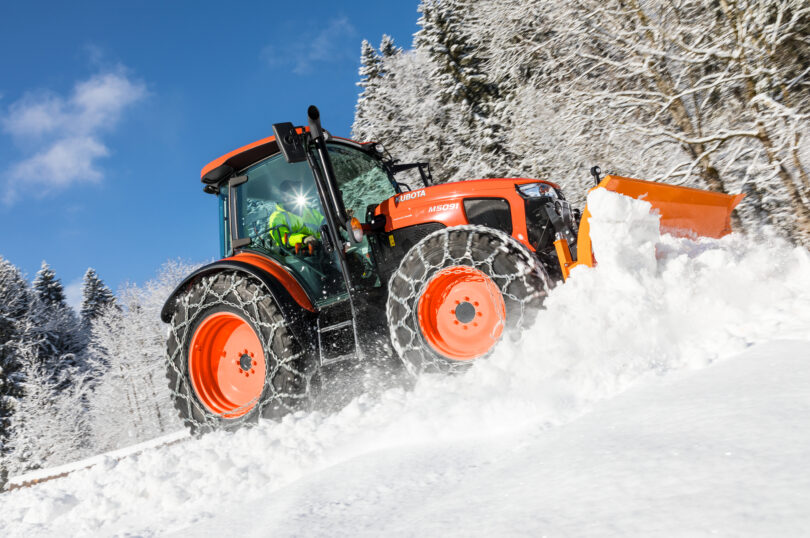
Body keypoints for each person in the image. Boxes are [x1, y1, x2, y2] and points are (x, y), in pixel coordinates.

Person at [267, 181, 324, 252]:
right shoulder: (277, 217)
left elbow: (324, 223)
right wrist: (304, 239)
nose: (296, 196)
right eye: (292, 194)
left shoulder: (311, 212)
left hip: (321, 249)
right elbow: (282, 238)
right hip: (296, 256)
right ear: (284, 197)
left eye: (297, 193)